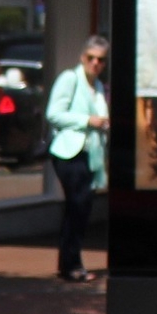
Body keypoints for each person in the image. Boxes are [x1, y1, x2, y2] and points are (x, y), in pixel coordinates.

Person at [46, 34, 109, 283]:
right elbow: (54, 114)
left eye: (100, 60)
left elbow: (99, 116)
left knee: (81, 209)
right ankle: (72, 265)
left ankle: (70, 263)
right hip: (69, 152)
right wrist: (86, 120)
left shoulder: (99, 86)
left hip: (90, 154)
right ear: (82, 58)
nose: (95, 64)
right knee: (78, 205)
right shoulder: (70, 78)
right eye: (91, 58)